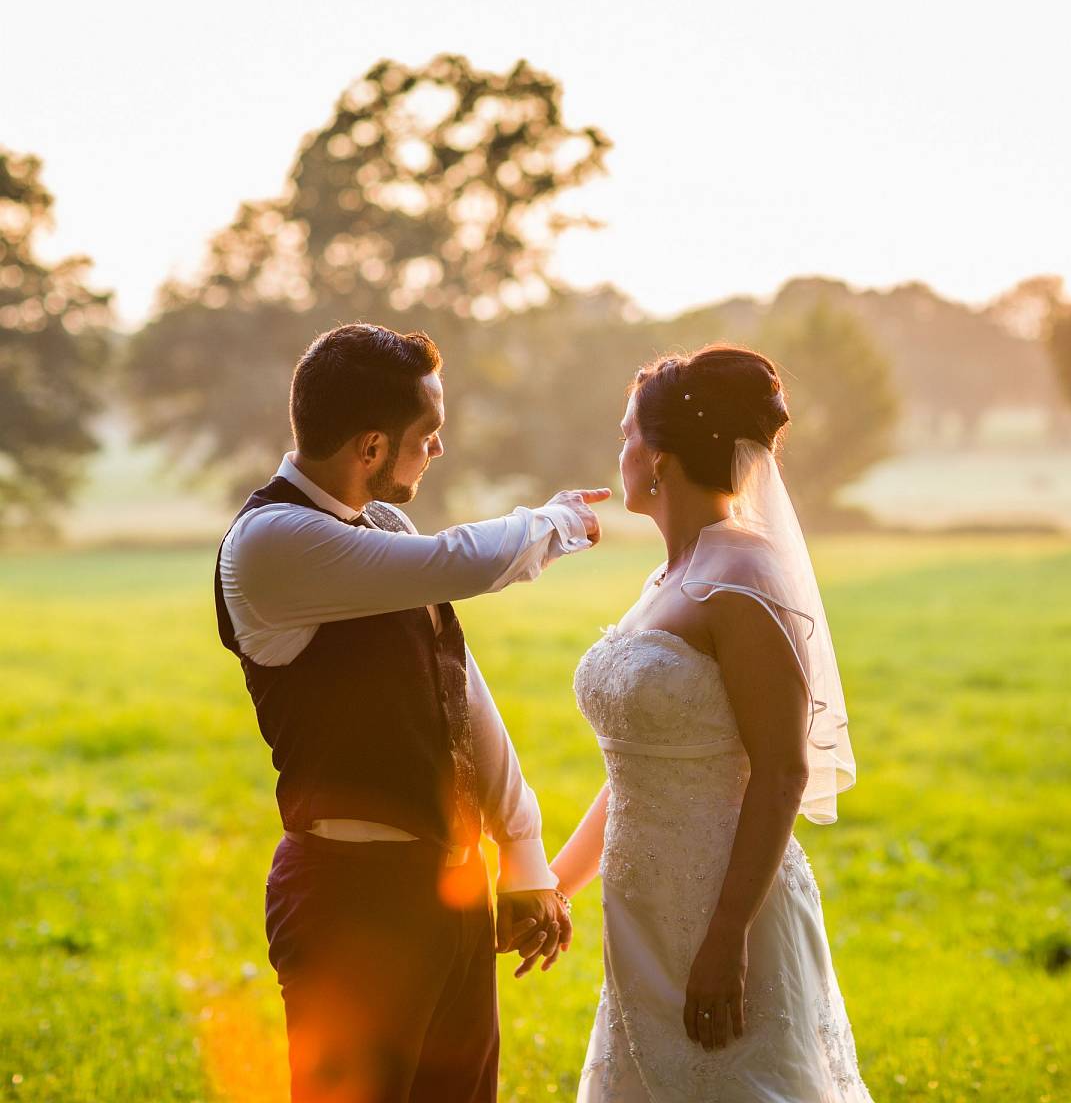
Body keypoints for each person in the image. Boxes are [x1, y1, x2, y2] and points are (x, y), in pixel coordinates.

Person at [213, 322, 608, 1102]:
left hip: (453, 891)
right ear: (368, 447)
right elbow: (457, 562)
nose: (436, 452)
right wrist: (557, 520)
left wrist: (521, 851)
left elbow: (459, 695)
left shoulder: (382, 525)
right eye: (426, 436)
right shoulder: (271, 543)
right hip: (351, 899)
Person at [548, 344, 873, 1101]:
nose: (621, 450)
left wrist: (726, 938)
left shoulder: (744, 576)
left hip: (730, 912)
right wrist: (557, 885)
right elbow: (641, 769)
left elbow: (783, 769)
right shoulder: (666, 578)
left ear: (659, 459)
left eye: (627, 434)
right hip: (644, 914)